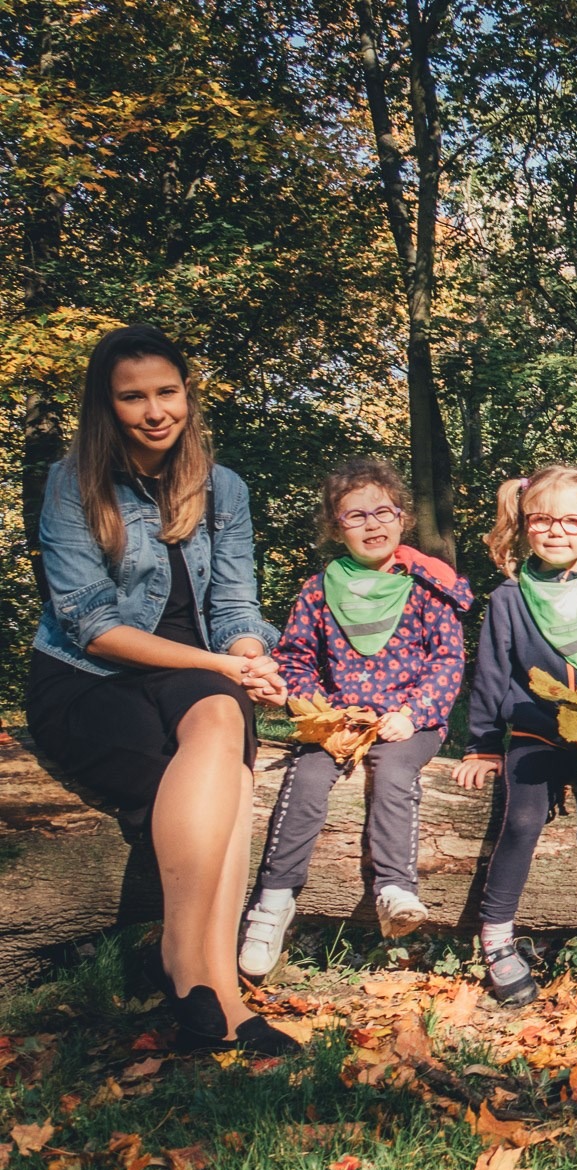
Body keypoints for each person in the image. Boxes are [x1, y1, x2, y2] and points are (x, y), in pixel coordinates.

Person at [26, 324, 298, 1054]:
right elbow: (91, 624)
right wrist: (221, 667)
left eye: (167, 392)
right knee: (229, 780)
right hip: (90, 681)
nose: (154, 411)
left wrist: (247, 656)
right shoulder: (71, 483)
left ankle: (200, 979)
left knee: (221, 717)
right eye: (133, 397)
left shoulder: (224, 488)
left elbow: (237, 609)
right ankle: (203, 973)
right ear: (107, 405)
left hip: (192, 677)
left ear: (188, 394)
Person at [238, 456, 472, 982]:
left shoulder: (426, 586)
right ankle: (273, 904)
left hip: (409, 723)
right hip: (341, 721)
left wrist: (414, 714)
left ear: (403, 519)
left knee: (393, 773)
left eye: (383, 512)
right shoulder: (318, 590)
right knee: (306, 777)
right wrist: (323, 711)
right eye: (355, 516)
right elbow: (296, 658)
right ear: (334, 526)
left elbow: (447, 659)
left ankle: (395, 888)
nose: (372, 524)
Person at [452, 465, 577, 1008]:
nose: (556, 531)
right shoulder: (509, 600)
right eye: (542, 519)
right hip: (537, 733)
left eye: (571, 520)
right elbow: (492, 675)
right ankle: (495, 936)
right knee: (520, 817)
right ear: (522, 525)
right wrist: (485, 744)